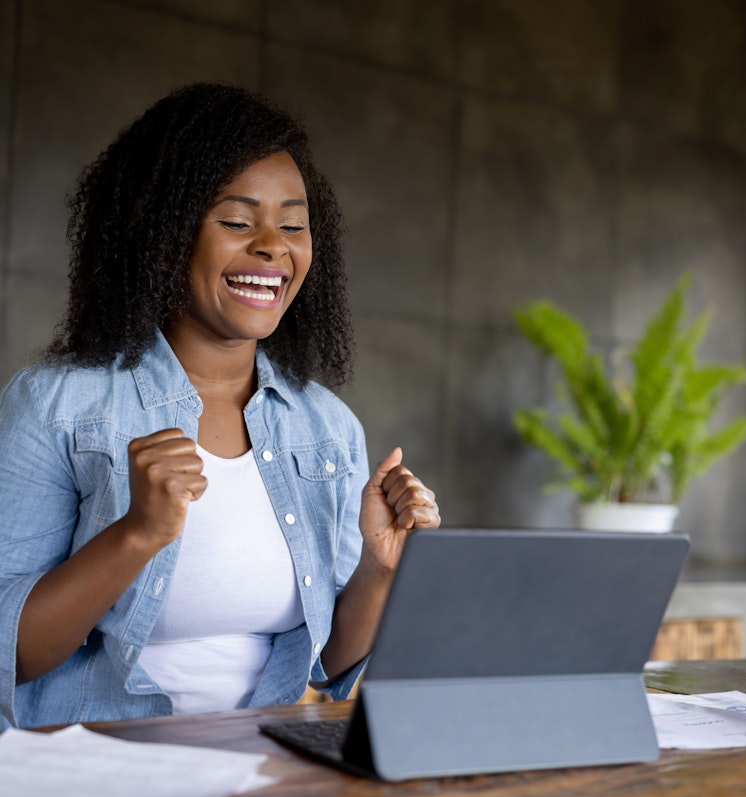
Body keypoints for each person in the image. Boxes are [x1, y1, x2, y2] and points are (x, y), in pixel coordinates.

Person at [0, 83, 440, 731]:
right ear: (163, 234)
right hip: (101, 762)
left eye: (293, 224)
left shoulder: (326, 428)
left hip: (265, 758)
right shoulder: (58, 404)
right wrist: (136, 533)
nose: (272, 246)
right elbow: (12, 656)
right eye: (237, 221)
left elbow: (329, 665)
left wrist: (380, 567)